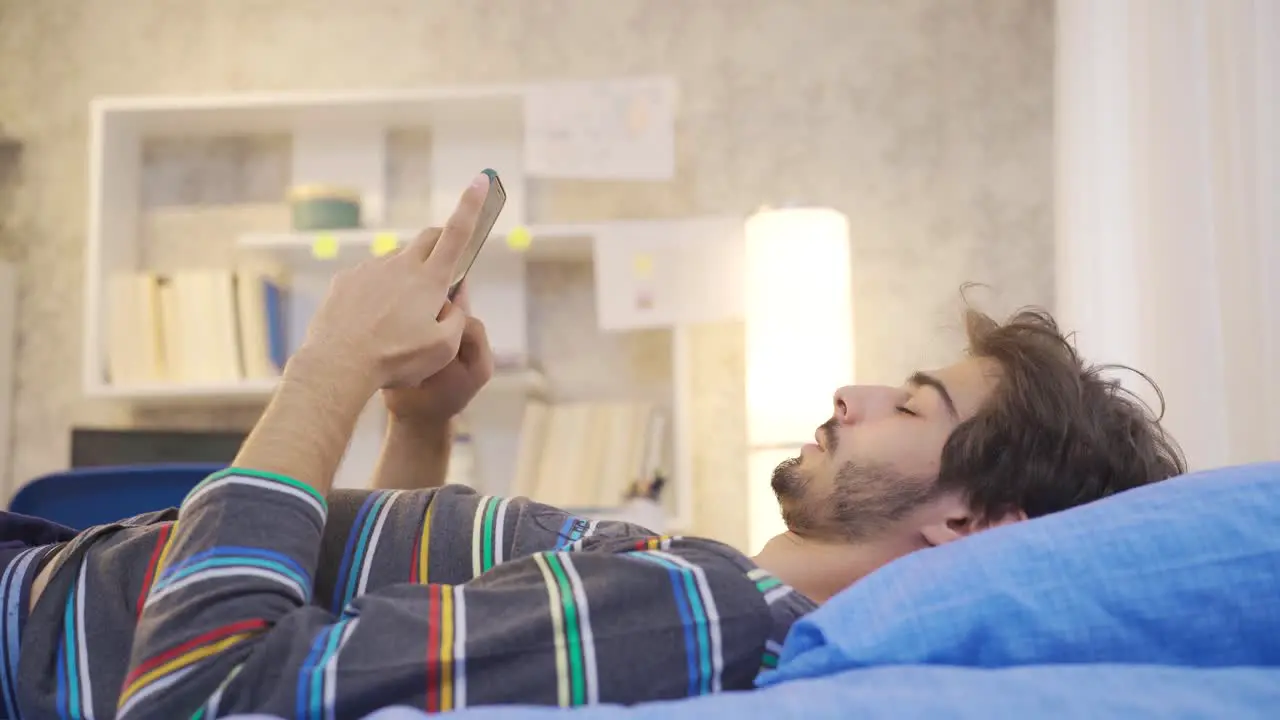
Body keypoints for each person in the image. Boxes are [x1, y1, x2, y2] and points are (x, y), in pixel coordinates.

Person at [0, 177, 1184, 719]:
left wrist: (332, 363)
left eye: (912, 405)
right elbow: (358, 624)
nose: (852, 388)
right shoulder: (708, 582)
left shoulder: (699, 612)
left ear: (969, 524)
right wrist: (420, 419)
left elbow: (206, 694)